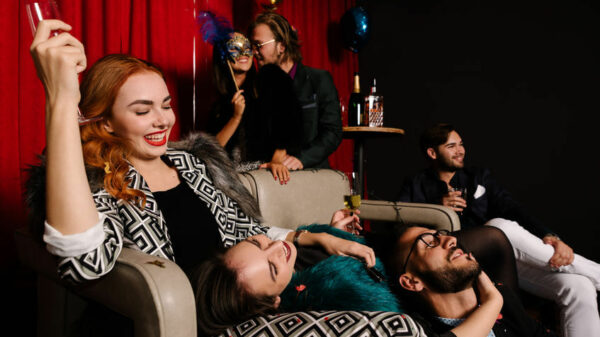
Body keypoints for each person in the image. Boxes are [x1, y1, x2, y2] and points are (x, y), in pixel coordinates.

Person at [24, 20, 345, 283]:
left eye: (166, 105)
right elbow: (84, 262)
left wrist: (308, 237)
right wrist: (61, 98)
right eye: (142, 110)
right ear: (107, 123)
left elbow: (243, 228)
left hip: (253, 301)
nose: (163, 120)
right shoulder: (100, 178)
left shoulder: (189, 163)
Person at [397, 123, 600, 337]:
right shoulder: (416, 184)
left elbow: (512, 208)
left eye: (461, 144)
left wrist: (550, 236)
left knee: (579, 286)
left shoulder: (477, 176)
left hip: (500, 258)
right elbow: (402, 229)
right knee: (498, 226)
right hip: (460, 262)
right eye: (451, 146)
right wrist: (436, 208)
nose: (460, 150)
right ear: (432, 152)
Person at [193, 216, 525, 337]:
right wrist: (491, 299)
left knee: (499, 232)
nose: (276, 248)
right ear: (275, 301)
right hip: (401, 275)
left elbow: (276, 234)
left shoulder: (293, 249)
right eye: (271, 267)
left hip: (377, 247)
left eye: (259, 243)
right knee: (497, 234)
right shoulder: (308, 307)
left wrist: (323, 236)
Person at [389, 225, 558, 337]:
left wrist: (496, 299)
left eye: (441, 235)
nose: (451, 240)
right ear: (412, 282)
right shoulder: (420, 330)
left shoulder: (502, 296)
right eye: (430, 243)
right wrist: (493, 302)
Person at [249, 12, 342, 170]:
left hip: (312, 177)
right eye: (252, 46)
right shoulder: (258, 87)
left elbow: (333, 132)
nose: (254, 52)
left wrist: (301, 159)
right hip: (270, 179)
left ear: (282, 46)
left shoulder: (318, 79)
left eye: (259, 45)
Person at [207, 32, 301, 183]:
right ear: (222, 56)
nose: (243, 53)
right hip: (230, 180)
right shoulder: (221, 101)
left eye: (246, 47)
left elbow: (287, 125)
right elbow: (212, 150)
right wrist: (235, 117)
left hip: (265, 176)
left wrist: (276, 161)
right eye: (235, 48)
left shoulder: (267, 83)